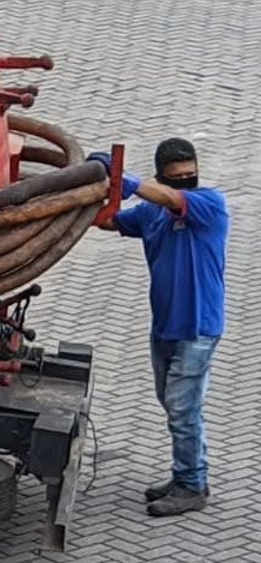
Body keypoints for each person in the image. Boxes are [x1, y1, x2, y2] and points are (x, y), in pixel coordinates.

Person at [91, 137, 227, 517]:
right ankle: (186, 474)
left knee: (184, 409)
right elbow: (108, 220)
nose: (185, 182)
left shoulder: (209, 205)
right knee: (174, 405)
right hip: (165, 325)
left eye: (190, 175)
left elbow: (171, 199)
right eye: (176, 178)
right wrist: (90, 191)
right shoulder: (150, 214)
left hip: (197, 328)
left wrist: (124, 179)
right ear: (161, 176)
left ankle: (192, 484)